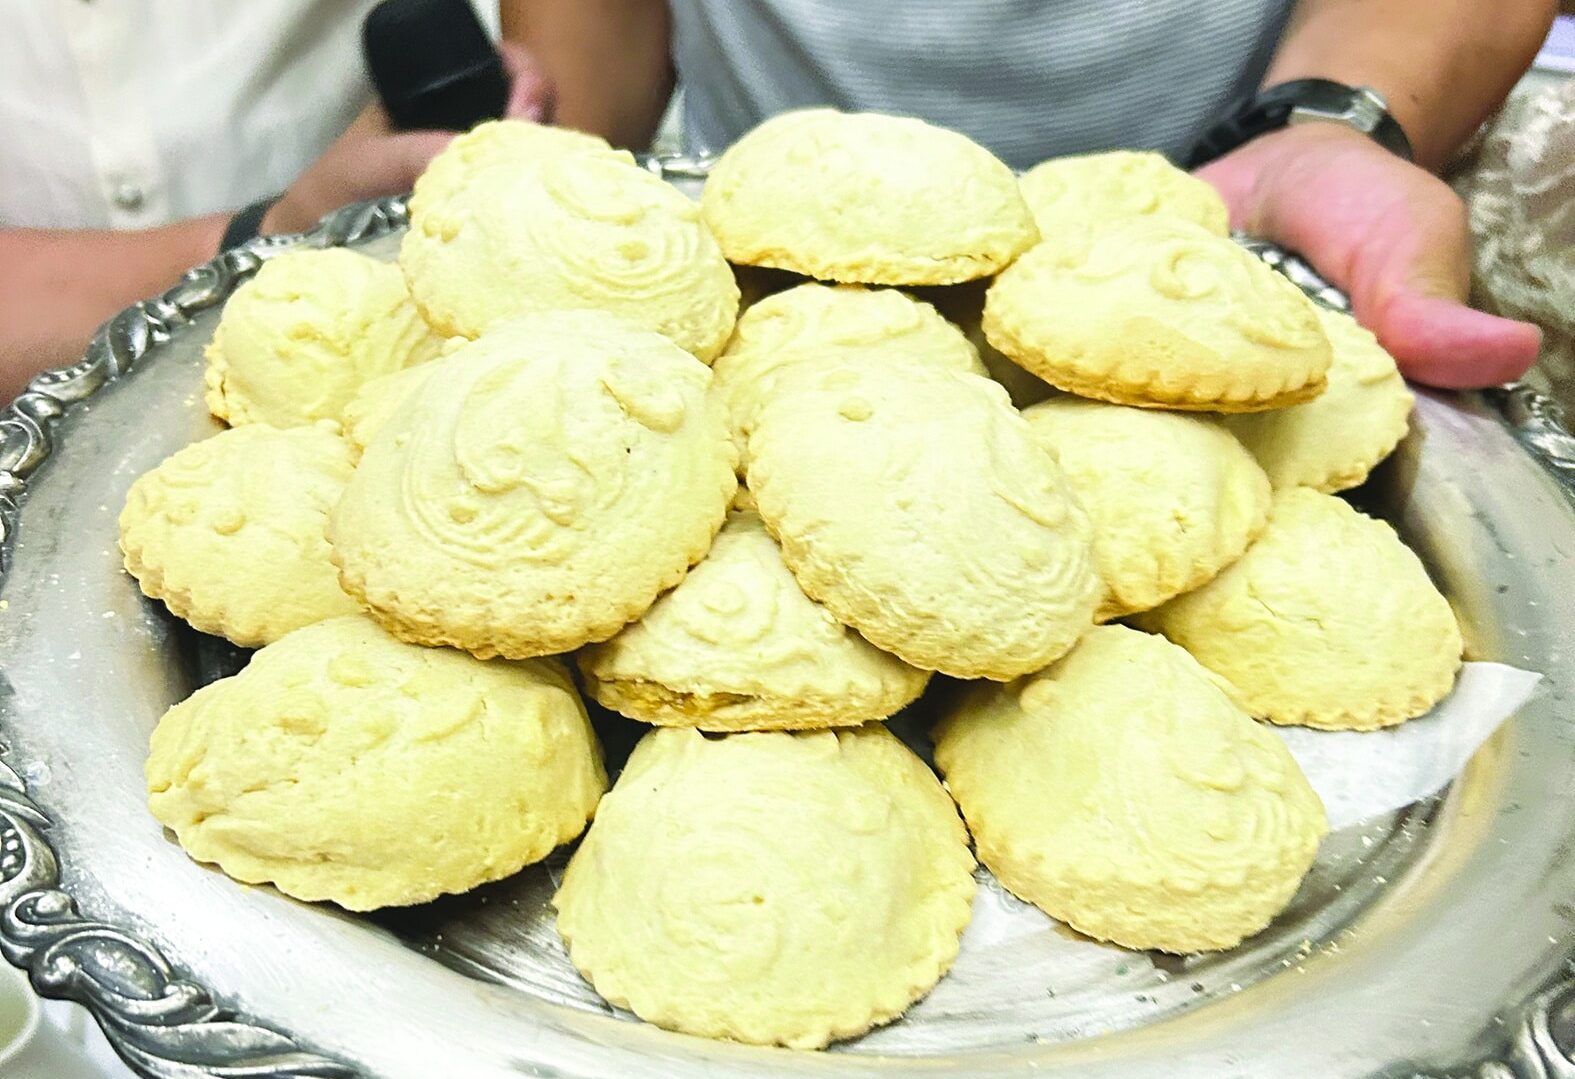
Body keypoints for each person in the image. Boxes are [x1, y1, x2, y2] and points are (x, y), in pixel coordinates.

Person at [0, 0, 1553, 403]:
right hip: (750, 302)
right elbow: (594, 38)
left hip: (1233, 247)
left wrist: (1337, 120)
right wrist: (539, 192)